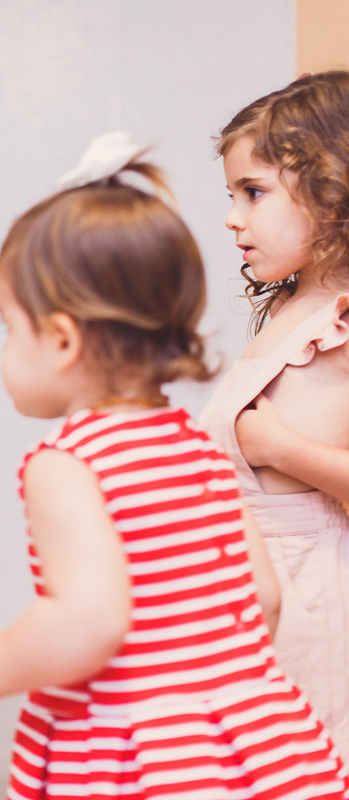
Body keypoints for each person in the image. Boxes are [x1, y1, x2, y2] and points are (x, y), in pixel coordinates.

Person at [0, 139, 347, 799]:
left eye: (8, 327)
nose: (5, 348)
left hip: (134, 754)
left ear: (61, 340)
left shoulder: (69, 462)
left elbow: (87, 622)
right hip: (249, 744)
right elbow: (264, 594)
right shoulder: (196, 445)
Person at [199, 71, 349, 754]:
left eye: (253, 193)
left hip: (314, 602)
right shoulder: (292, 309)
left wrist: (280, 447)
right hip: (259, 588)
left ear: (333, 188)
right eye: (232, 195)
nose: (233, 216)